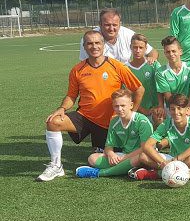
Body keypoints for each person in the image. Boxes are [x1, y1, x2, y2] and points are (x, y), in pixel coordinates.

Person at [38, 30, 144, 182]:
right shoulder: (77, 70)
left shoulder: (116, 66)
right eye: (89, 43)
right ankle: (56, 166)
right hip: (85, 117)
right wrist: (61, 108)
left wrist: (131, 114)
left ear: (103, 45)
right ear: (84, 47)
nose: (94, 46)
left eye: (97, 43)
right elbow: (71, 96)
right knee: (53, 122)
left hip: (111, 123)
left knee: (100, 159)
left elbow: (139, 89)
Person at [75, 89, 153, 178]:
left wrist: (124, 158)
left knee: (139, 158)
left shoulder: (142, 121)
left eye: (123, 105)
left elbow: (145, 149)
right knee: (92, 158)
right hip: (125, 155)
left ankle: (99, 173)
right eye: (116, 106)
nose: (120, 109)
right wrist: (111, 154)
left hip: (144, 156)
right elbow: (108, 146)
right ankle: (126, 169)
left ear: (131, 105)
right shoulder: (114, 121)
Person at [133, 94, 190, 180]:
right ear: (169, 110)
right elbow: (147, 145)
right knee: (143, 156)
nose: (176, 112)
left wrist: (178, 159)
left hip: (186, 158)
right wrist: (162, 162)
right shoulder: (167, 123)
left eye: (179, 108)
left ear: (187, 110)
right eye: (172, 109)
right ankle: (178, 171)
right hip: (171, 159)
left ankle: (158, 173)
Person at [80, 8, 158, 63]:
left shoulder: (129, 34)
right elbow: (85, 63)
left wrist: (151, 59)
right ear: (100, 24)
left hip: (125, 75)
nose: (111, 28)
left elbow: (152, 52)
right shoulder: (90, 39)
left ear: (120, 24)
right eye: (107, 25)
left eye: (114, 25)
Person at [154, 36, 190, 122]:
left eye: (173, 51)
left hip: (189, 105)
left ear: (180, 51)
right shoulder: (160, 72)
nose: (171, 54)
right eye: (168, 52)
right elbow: (168, 97)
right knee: (158, 118)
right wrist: (178, 110)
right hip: (172, 107)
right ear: (164, 53)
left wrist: (188, 107)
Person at [125, 33, 161, 125]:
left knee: (160, 122)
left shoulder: (154, 65)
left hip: (154, 109)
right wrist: (141, 109)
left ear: (146, 49)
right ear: (130, 47)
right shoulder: (125, 69)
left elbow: (161, 87)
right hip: (135, 110)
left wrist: (158, 106)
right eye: (135, 47)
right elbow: (127, 94)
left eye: (141, 48)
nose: (137, 50)